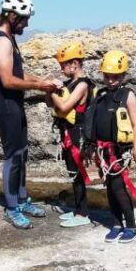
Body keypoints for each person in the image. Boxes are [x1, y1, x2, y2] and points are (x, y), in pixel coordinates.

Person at [0, 0, 62, 229]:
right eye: (24, 18)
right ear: (11, 16)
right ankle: (11, 208)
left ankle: (21, 199)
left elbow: (19, 75)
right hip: (6, 106)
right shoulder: (1, 41)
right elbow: (8, 81)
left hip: (14, 105)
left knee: (22, 153)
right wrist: (40, 85)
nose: (27, 23)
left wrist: (42, 79)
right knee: (13, 156)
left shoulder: (10, 39)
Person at [88, 50, 136, 243]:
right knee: (110, 188)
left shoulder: (128, 96)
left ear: (123, 76)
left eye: (115, 77)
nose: (110, 81)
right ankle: (116, 223)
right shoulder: (100, 95)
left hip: (119, 152)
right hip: (103, 151)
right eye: (107, 76)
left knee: (119, 187)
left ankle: (131, 226)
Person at [49, 41, 95, 228]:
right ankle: (78, 210)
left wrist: (52, 91)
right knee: (73, 173)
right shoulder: (70, 84)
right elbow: (51, 104)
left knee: (78, 173)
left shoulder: (82, 85)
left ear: (74, 63)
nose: (61, 69)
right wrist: (50, 90)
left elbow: (65, 106)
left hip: (78, 134)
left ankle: (83, 213)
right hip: (68, 133)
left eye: (63, 65)